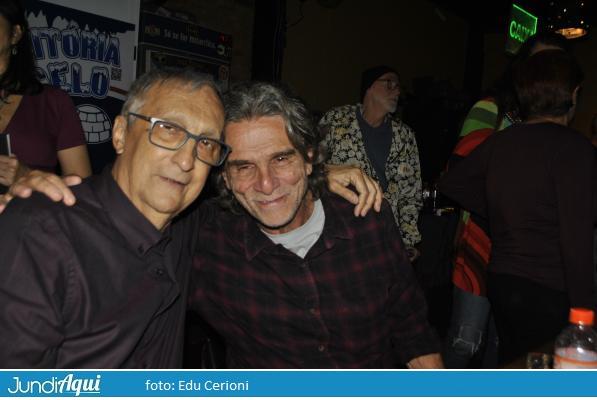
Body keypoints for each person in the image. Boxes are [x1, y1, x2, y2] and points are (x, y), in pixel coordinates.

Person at [0, 68, 381, 368]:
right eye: (167, 130)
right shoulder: (41, 234)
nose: (186, 160)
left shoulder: (192, 226)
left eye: (206, 143)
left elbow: (264, 187)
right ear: (120, 134)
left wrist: (314, 174)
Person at [190, 82, 442, 368]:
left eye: (281, 159)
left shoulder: (366, 218)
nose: (266, 184)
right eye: (244, 167)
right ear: (225, 177)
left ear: (309, 158)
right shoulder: (207, 239)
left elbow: (412, 328)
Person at [439, 50, 596, 365]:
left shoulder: (503, 140)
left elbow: (453, 182)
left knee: (516, 362)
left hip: (503, 279)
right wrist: (587, 315)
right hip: (551, 287)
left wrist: (503, 212)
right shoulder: (575, 148)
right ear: (573, 94)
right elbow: (576, 240)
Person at [320, 66, 423, 259]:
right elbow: (310, 168)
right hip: (339, 235)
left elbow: (411, 194)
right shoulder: (336, 120)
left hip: (385, 238)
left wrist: (407, 242)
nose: (397, 92)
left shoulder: (405, 136)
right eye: (390, 84)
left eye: (399, 87)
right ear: (369, 87)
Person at [0, 0, 91, 189]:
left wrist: (27, 177)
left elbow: (82, 186)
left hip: (30, 208)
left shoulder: (53, 102)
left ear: (15, 34)